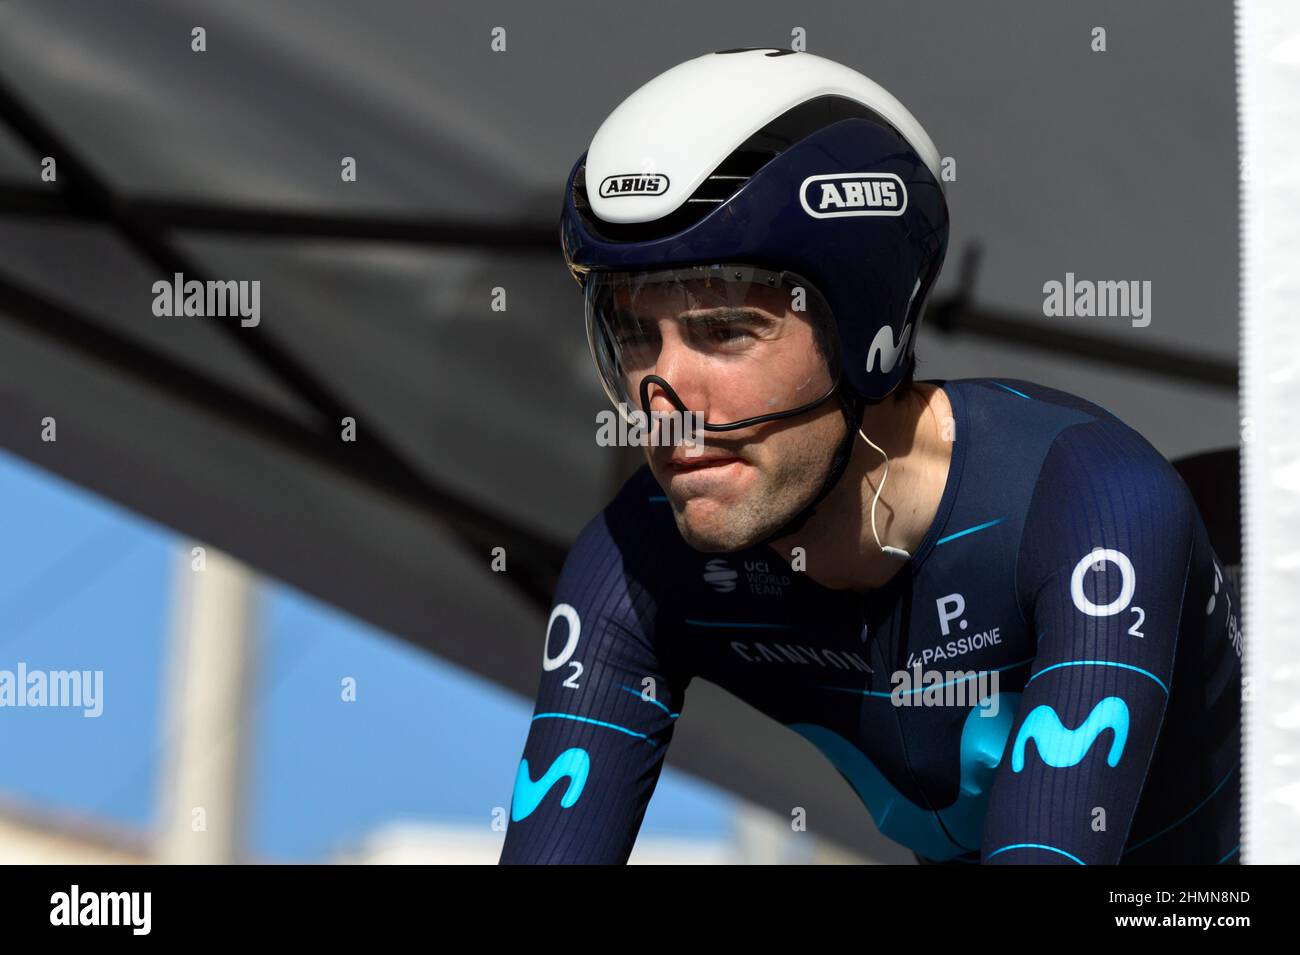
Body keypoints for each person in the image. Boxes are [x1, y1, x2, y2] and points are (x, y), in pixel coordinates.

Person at [499, 48, 1241, 865]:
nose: (662, 402)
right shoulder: (634, 557)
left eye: (723, 331)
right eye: (633, 336)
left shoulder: (1094, 498)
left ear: (863, 335)